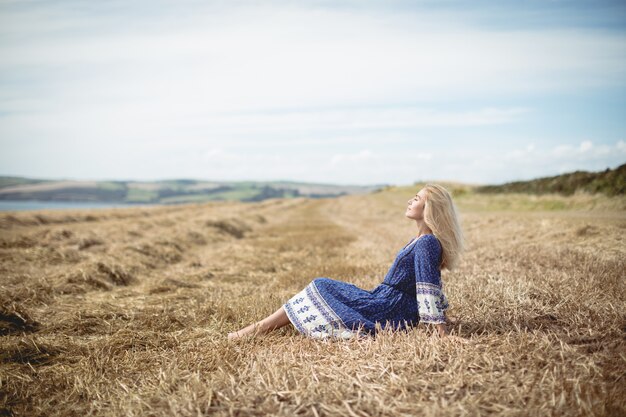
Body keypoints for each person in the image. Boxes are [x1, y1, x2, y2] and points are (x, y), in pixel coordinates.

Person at [227, 184, 464, 341]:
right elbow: (431, 281)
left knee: (321, 286)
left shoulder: (426, 243)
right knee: (323, 286)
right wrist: (445, 315)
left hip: (388, 308)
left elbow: (428, 285)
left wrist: (441, 331)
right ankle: (258, 328)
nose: (410, 201)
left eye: (417, 199)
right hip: (384, 300)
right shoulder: (421, 240)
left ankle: (257, 329)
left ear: (430, 208)